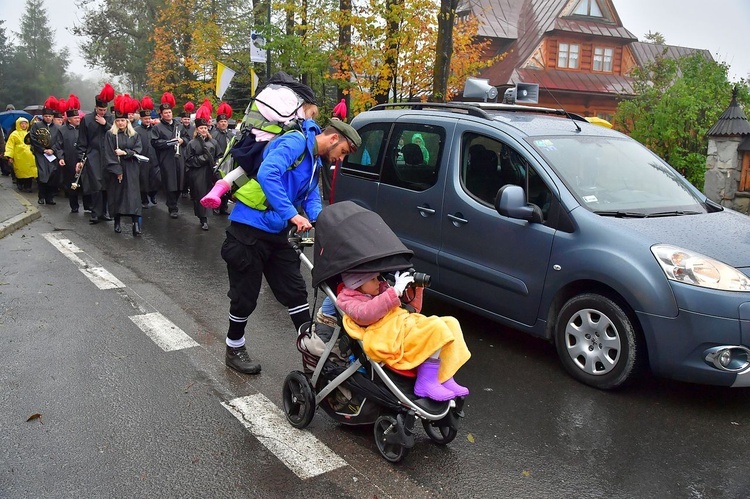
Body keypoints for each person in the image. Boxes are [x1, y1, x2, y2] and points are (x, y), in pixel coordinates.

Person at [220, 118, 362, 374]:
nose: (340, 159)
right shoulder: (295, 142)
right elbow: (267, 173)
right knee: (245, 297)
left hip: (277, 232)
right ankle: (234, 346)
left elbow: (309, 195)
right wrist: (291, 214)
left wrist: (320, 220)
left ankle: (311, 349)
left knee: (295, 291)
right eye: (342, 152)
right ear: (333, 139)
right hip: (248, 229)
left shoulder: (315, 161)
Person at [336, 270, 471, 401]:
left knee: (451, 323)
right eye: (373, 279)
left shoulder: (380, 290)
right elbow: (367, 314)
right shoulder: (349, 300)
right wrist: (395, 292)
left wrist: (414, 289)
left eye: (378, 277)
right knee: (436, 327)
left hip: (404, 324)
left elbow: (413, 310)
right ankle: (426, 381)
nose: (378, 282)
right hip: (390, 334)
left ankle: (444, 376)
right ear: (357, 283)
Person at [104, 94, 143, 236]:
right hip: (117, 169)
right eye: (118, 121)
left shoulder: (134, 135)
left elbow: (138, 150)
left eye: (123, 120)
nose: (121, 123)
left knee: (133, 195)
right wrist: (117, 170)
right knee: (117, 195)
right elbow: (108, 153)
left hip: (132, 168)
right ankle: (117, 220)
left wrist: (125, 153)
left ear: (127, 121)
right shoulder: (110, 135)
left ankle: (135, 224)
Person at [77, 83, 115, 224]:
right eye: (100, 109)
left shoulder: (110, 118)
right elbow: (82, 140)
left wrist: (105, 123)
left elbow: (116, 134)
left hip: (108, 155)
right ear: (95, 108)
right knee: (96, 184)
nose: (102, 112)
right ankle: (95, 212)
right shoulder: (86, 119)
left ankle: (104, 212)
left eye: (104, 109)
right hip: (93, 155)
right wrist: (80, 158)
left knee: (106, 185)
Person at [184, 105, 219, 230]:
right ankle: (202, 219)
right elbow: (188, 160)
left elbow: (219, 155)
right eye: (201, 128)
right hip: (198, 173)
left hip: (210, 172)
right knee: (200, 194)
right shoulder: (192, 143)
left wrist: (216, 162)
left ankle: (209, 213)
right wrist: (204, 159)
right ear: (197, 129)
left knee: (211, 192)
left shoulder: (213, 142)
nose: (203, 130)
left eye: (205, 128)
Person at [151, 92, 184, 219]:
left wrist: (182, 141)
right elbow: (155, 142)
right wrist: (169, 143)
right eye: (165, 113)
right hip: (166, 158)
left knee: (180, 183)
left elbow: (187, 137)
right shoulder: (157, 128)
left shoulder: (179, 125)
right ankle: (172, 207)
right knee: (170, 183)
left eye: (170, 112)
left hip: (179, 158)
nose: (168, 114)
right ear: (161, 114)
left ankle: (174, 201)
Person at [29, 96, 63, 205]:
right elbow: (33, 138)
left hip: (52, 154)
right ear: (43, 116)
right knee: (43, 174)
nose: (48, 118)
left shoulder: (57, 128)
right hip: (41, 154)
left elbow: (59, 141)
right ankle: (41, 196)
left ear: (53, 117)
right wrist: (43, 149)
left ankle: (50, 197)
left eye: (50, 116)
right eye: (46, 116)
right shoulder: (37, 126)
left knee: (52, 175)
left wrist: (52, 150)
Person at [58, 95, 85, 213]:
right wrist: (61, 157)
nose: (78, 120)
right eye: (75, 118)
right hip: (69, 160)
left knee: (85, 182)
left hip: (83, 159)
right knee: (72, 183)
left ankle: (88, 205)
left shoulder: (83, 129)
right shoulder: (62, 130)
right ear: (69, 119)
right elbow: (58, 146)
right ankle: (74, 206)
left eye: (78, 117)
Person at [135, 96, 159, 209]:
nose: (148, 120)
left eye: (149, 118)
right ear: (141, 119)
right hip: (142, 158)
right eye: (145, 119)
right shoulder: (136, 130)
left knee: (155, 179)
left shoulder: (155, 129)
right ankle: (144, 199)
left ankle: (153, 195)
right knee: (143, 180)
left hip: (154, 158)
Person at [210, 102, 232, 215]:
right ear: (217, 124)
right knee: (218, 185)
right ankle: (216, 206)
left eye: (225, 121)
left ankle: (224, 206)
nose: (223, 123)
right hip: (218, 164)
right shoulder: (214, 135)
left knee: (227, 186)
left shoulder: (231, 135)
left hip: (229, 164)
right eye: (221, 122)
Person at [4, 117, 36, 192]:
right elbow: (10, 146)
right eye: (22, 123)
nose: (23, 125)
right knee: (20, 171)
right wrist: (9, 156)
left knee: (30, 172)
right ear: (18, 124)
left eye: (25, 123)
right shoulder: (14, 134)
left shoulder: (30, 133)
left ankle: (28, 186)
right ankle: (20, 183)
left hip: (30, 156)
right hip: (19, 157)